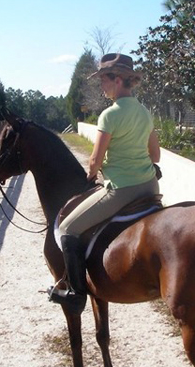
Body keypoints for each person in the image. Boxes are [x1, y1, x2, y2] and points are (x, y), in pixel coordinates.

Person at [48, 53, 161, 314]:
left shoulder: (109, 116)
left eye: (104, 80)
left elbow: (95, 160)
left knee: (67, 228)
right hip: (150, 187)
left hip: (121, 189)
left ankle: (76, 294)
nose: (102, 86)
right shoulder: (145, 113)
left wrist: (92, 173)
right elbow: (155, 156)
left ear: (118, 79)